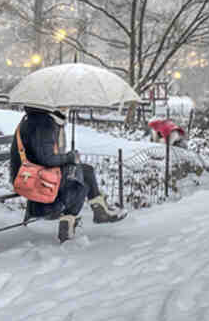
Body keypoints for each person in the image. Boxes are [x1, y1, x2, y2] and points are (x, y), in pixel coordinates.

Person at [11, 103, 127, 242]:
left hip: (28, 174)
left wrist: (68, 158)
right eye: (61, 106)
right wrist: (69, 157)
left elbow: (42, 155)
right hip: (35, 178)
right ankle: (84, 214)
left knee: (83, 176)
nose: (64, 108)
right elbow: (46, 158)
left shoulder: (31, 119)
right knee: (83, 181)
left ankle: (92, 213)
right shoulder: (43, 123)